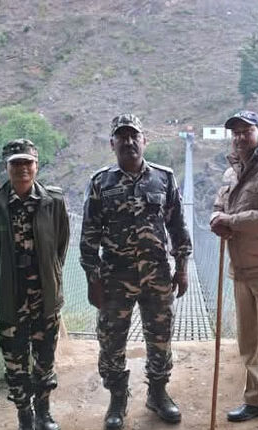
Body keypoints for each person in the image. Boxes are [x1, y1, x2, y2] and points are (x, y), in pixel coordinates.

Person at [80, 113, 192, 429]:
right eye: (122, 136)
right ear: (112, 143)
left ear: (144, 140)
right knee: (111, 339)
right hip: (115, 277)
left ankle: (157, 393)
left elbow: (178, 227)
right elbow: (89, 235)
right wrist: (92, 278)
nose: (128, 142)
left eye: (134, 136)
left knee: (160, 336)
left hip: (157, 275)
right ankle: (118, 398)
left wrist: (182, 267)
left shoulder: (164, 178)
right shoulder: (101, 182)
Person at [0, 139, 69, 430]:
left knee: (44, 361)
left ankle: (43, 412)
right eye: (15, 163)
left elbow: (60, 246)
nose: (22, 168)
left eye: (27, 162)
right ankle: (24, 415)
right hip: (9, 301)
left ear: (36, 165)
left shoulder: (53, 202)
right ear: (6, 167)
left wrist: (49, 276)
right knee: (15, 365)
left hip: (45, 299)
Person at [210, 110, 258, 430]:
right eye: (236, 132)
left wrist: (232, 222)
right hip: (239, 269)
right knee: (248, 342)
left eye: (247, 131)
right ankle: (254, 400)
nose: (240, 137)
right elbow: (220, 204)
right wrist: (217, 219)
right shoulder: (232, 170)